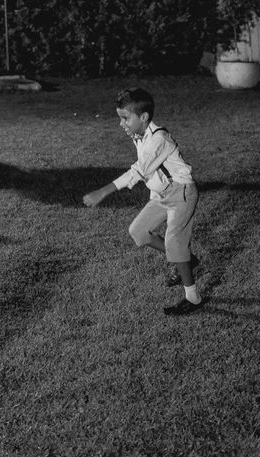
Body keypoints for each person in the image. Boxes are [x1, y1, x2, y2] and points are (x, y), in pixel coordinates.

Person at [83, 87, 202, 315]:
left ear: (144, 117)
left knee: (174, 243)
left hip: (181, 194)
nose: (121, 124)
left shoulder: (160, 139)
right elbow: (153, 174)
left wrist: (103, 191)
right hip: (161, 195)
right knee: (138, 231)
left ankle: (193, 298)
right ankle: (187, 260)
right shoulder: (139, 136)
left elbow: (138, 171)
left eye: (125, 118)